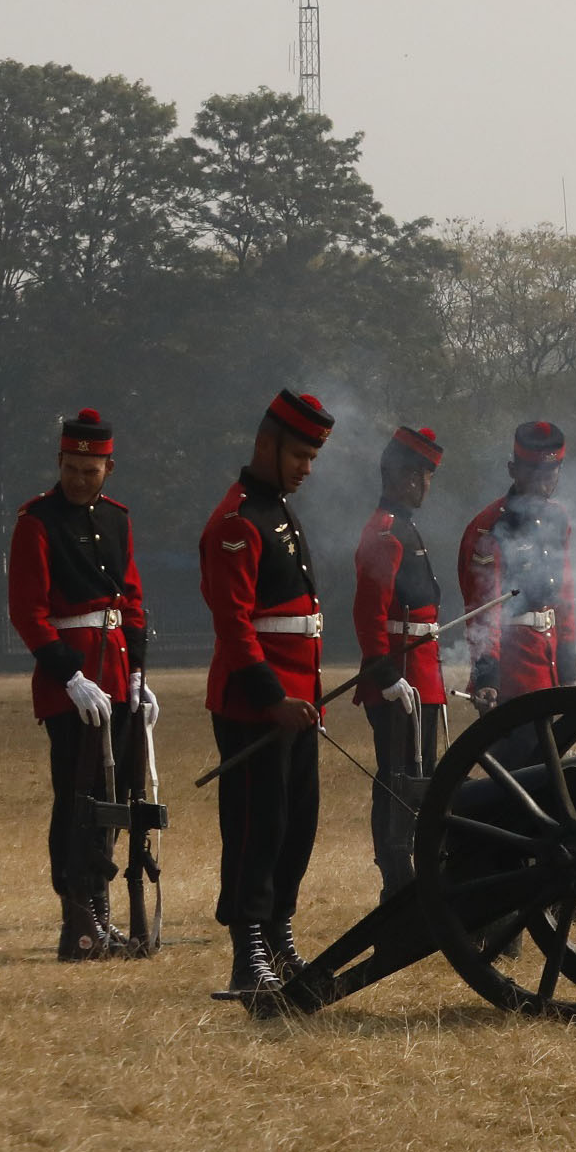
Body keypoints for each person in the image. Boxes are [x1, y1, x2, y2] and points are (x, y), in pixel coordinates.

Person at [8, 407, 156, 961]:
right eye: (71, 468)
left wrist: (138, 671)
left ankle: (101, 909)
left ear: (108, 469)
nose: (78, 479)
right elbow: (28, 611)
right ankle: (80, 919)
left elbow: (132, 600)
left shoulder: (117, 520)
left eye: (89, 471)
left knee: (114, 799)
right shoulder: (36, 521)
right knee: (77, 798)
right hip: (71, 682)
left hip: (116, 677)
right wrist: (68, 675)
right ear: (60, 462)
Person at [200, 389, 333, 995]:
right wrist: (274, 700)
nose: (307, 467)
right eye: (299, 455)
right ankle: (247, 951)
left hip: (297, 704)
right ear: (266, 445)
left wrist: (304, 699)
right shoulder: (237, 522)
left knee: (296, 824)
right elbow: (234, 627)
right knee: (258, 826)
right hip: (256, 705)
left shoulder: (276, 510)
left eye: (312, 457)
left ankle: (279, 938)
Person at [352, 425, 450, 902]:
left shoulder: (405, 527)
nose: (425, 485)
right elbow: (369, 611)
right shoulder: (386, 531)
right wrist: (385, 672)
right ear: (402, 476)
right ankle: (396, 874)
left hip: (422, 672)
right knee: (398, 778)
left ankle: (413, 865)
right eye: (421, 475)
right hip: (400, 674)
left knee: (420, 777)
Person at [458, 421, 576, 709]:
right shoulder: (490, 527)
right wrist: (487, 678)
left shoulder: (558, 519)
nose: (543, 482)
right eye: (534, 472)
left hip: (547, 669)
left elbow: (565, 598)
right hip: (511, 675)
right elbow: (483, 609)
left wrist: (569, 667)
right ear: (513, 470)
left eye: (551, 472)